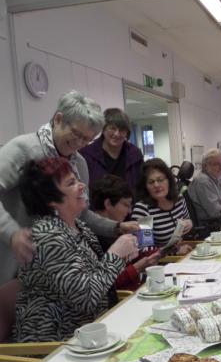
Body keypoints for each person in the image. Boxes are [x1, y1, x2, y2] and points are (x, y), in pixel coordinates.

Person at [0, 91, 139, 285]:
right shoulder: (24, 149)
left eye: (87, 140)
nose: (79, 143)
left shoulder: (79, 163)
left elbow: (82, 213)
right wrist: (12, 233)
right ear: (58, 119)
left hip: (55, 266)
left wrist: (115, 227)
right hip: (13, 257)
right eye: (76, 134)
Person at [14, 158, 139, 342]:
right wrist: (115, 255)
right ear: (50, 199)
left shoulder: (78, 226)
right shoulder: (47, 235)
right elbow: (86, 299)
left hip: (88, 331)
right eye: (71, 183)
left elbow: (96, 277)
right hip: (56, 342)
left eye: (77, 180)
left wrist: (123, 256)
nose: (82, 186)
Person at [91, 174, 161, 290]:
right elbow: (105, 284)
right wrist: (137, 268)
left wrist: (160, 252)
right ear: (108, 204)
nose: (129, 211)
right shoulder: (93, 239)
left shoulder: (119, 230)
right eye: (125, 205)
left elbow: (133, 259)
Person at [131, 158, 193, 253]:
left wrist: (189, 224)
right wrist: (174, 251)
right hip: (157, 264)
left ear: (169, 180)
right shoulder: (143, 209)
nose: (156, 185)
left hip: (180, 255)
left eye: (160, 180)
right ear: (145, 186)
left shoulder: (179, 200)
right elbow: (145, 250)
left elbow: (186, 222)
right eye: (151, 182)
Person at [80, 107, 143, 193]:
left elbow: (141, 186)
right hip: (98, 206)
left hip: (129, 205)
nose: (117, 134)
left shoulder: (135, 154)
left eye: (122, 130)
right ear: (103, 129)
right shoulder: (87, 155)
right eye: (112, 128)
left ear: (127, 133)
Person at [187, 148, 221, 224]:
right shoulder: (203, 181)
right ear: (205, 166)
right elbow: (215, 212)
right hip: (213, 225)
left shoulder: (217, 179)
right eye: (216, 164)